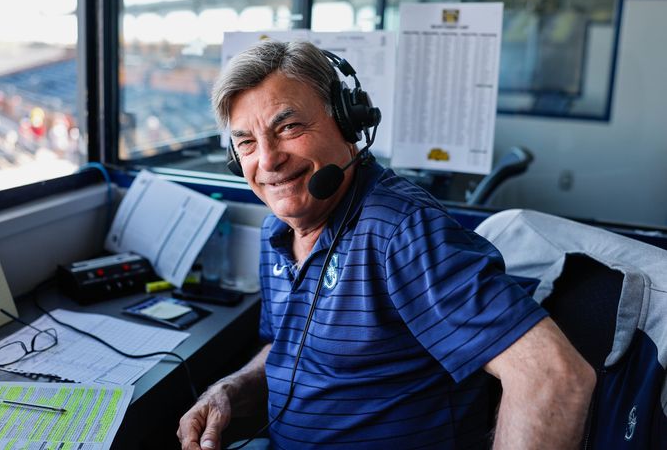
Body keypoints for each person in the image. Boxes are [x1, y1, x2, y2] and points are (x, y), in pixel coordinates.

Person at [177, 40, 596, 449]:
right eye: (246, 142)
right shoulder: (279, 234)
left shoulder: (401, 232)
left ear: (347, 124)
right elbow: (290, 348)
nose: (267, 160)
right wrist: (228, 391)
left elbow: (554, 377)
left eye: (288, 127)